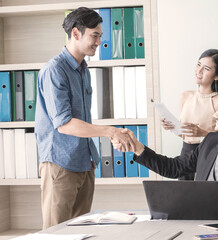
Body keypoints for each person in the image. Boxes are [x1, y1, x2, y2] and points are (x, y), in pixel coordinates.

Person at [35, 7, 135, 229]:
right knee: (56, 233)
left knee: (81, 231)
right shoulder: (54, 70)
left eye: (100, 36)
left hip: (85, 162)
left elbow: (83, 119)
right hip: (60, 164)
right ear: (76, 33)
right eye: (95, 35)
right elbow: (63, 124)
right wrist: (110, 131)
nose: (99, 42)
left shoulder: (83, 69)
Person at [116, 87, 218, 210]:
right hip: (198, 221)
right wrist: (137, 147)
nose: (215, 115)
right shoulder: (211, 141)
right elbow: (174, 168)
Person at [162, 49, 218, 180]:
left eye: (206, 68)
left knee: (204, 197)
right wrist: (173, 127)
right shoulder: (185, 96)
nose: (199, 70)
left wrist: (203, 134)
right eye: (198, 64)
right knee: (184, 197)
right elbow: (186, 135)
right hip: (185, 154)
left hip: (209, 155)